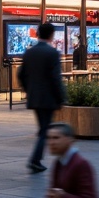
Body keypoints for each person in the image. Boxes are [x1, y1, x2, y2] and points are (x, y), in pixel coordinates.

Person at [18, 21, 64, 174]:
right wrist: (61, 97)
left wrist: (28, 89)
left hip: (34, 97)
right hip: (48, 98)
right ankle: (35, 160)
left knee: (43, 128)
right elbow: (55, 78)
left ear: (38, 34)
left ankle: (36, 160)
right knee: (45, 130)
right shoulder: (52, 53)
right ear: (51, 35)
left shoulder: (29, 52)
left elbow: (21, 74)